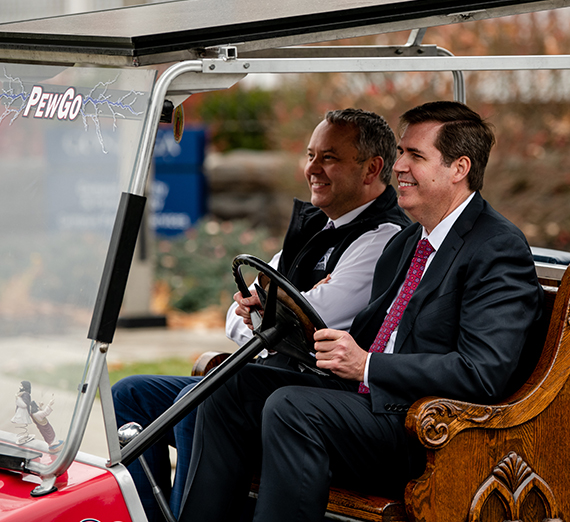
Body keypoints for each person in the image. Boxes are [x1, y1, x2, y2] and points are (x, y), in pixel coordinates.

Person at [177, 101, 544, 522]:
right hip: (371, 406)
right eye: (401, 152)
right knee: (228, 389)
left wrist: (369, 366)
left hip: (428, 430)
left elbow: (482, 372)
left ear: (459, 168)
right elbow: (368, 333)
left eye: (415, 156)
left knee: (292, 408)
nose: (398, 167)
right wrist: (274, 317)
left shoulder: (497, 247)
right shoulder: (409, 243)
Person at [112, 108, 410, 521]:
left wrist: (269, 309)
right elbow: (238, 317)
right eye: (310, 155)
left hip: (314, 391)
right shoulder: (313, 228)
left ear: (371, 169)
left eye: (329, 158)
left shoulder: (383, 238)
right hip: (270, 377)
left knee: (200, 398)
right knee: (128, 395)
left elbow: (312, 318)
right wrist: (270, 309)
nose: (312, 169)